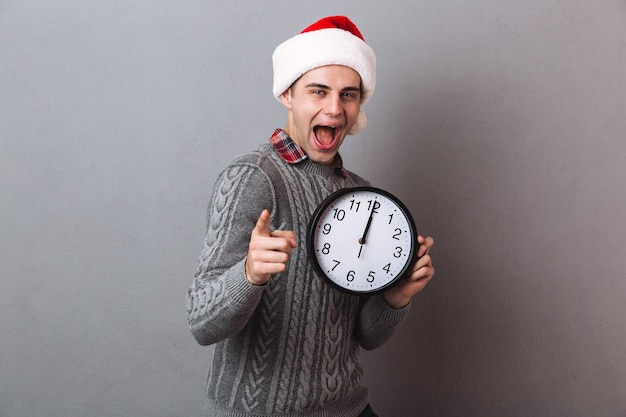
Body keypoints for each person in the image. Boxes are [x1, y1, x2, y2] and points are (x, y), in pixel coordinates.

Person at [186, 15, 435, 417]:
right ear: (288, 95)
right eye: (318, 91)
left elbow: (363, 336)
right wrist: (248, 274)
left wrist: (396, 295)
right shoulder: (253, 178)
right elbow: (201, 322)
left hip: (348, 408)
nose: (334, 109)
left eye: (348, 95)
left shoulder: (360, 196)